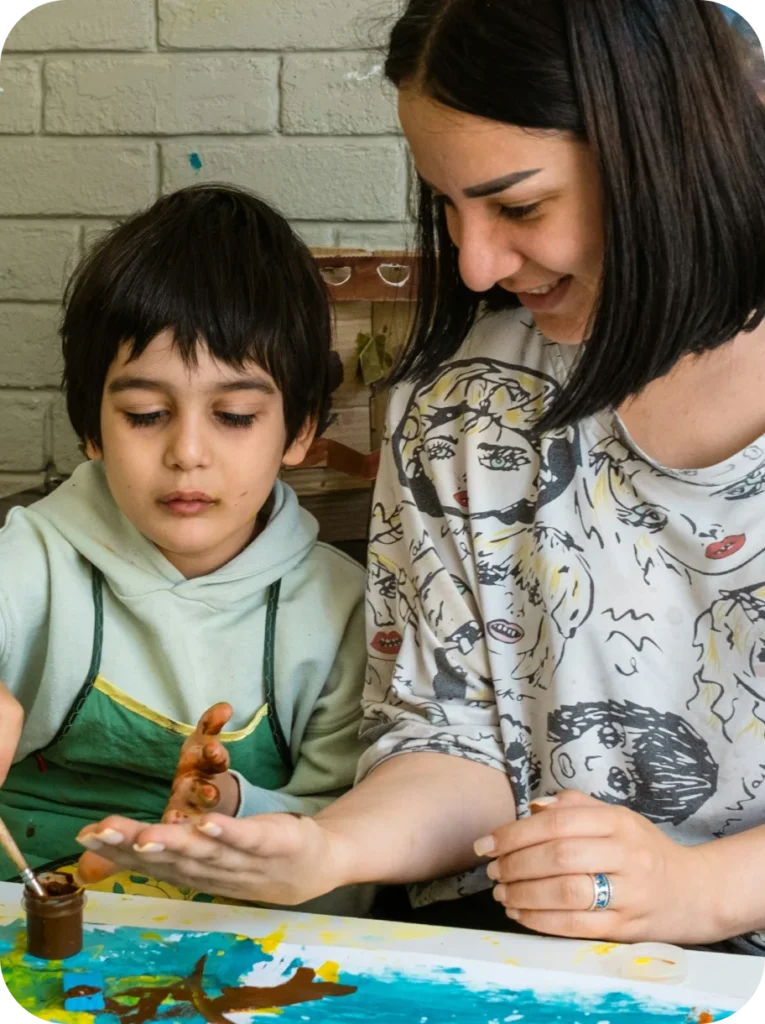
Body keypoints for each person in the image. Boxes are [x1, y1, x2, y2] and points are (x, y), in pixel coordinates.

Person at [72, 0, 765, 954]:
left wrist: (704, 888)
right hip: (529, 959)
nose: (473, 265)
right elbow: (454, 738)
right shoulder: (457, 408)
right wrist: (330, 848)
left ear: (665, 148)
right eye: (446, 203)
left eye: (518, 206)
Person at [0, 184, 371, 914]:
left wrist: (229, 803)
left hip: (235, 941)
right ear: (92, 427)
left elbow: (344, 855)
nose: (188, 453)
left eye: (233, 415)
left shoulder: (341, 610)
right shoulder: (31, 559)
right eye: (146, 414)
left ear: (299, 431)